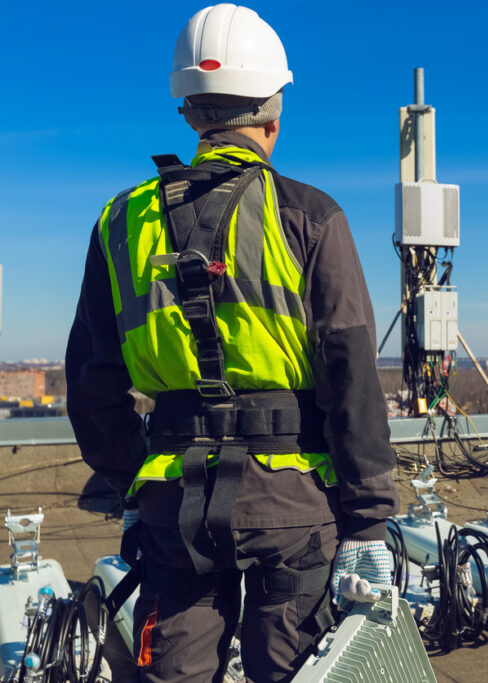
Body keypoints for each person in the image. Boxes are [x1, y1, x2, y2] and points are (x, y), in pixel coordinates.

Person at [65, 4, 398, 681]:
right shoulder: (310, 214)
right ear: (274, 117)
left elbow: (92, 383)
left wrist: (135, 476)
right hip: (291, 504)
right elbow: (353, 376)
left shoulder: (121, 222)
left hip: (173, 504)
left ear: (190, 113)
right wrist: (367, 523)